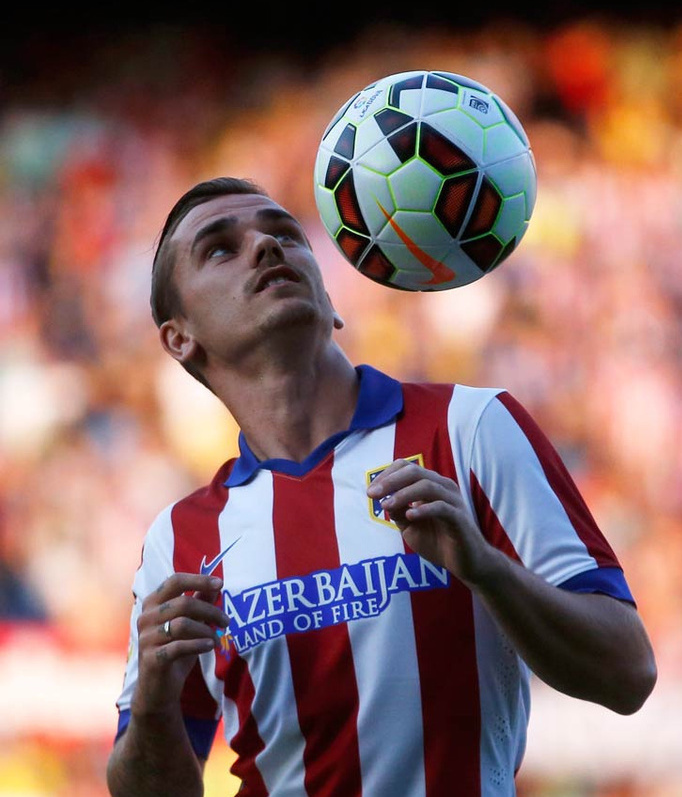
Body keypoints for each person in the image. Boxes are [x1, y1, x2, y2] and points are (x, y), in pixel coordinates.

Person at [106, 176, 657, 797]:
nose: (266, 244)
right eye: (220, 248)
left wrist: (486, 568)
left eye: (285, 233)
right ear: (180, 338)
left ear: (330, 302)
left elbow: (627, 673)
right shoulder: (180, 541)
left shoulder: (470, 428)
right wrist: (154, 703)